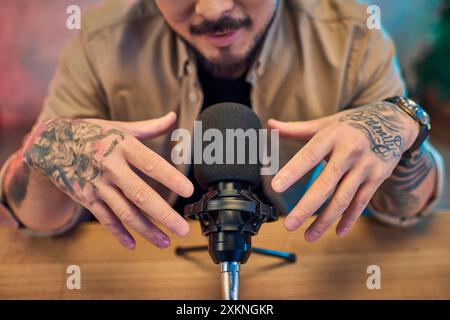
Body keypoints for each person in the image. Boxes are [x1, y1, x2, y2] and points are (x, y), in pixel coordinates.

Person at [0, 0, 444, 250]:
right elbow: (35, 221)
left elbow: (403, 213)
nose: (213, 8)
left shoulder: (354, 37)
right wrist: (47, 150)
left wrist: (405, 129)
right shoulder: (101, 41)